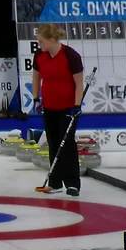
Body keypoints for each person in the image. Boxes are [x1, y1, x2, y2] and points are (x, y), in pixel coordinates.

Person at [30, 24, 84, 197]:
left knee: (67, 144)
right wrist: (36, 97)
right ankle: (55, 182)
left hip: (68, 108)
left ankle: (73, 183)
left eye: (41, 41)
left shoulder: (71, 56)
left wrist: (76, 106)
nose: (39, 45)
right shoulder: (39, 55)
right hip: (49, 107)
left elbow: (79, 83)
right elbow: (36, 76)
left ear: (52, 40)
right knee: (53, 143)